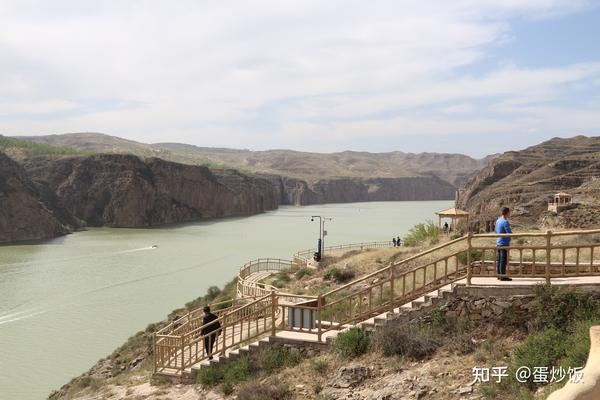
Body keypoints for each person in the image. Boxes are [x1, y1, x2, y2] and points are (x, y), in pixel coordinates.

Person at [495, 207, 513, 281]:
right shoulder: (505, 222)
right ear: (507, 213)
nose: (510, 214)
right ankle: (503, 276)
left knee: (499, 259)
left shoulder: (498, 220)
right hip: (504, 243)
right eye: (509, 212)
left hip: (499, 242)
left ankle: (499, 275)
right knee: (503, 260)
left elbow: (496, 230)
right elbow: (509, 232)